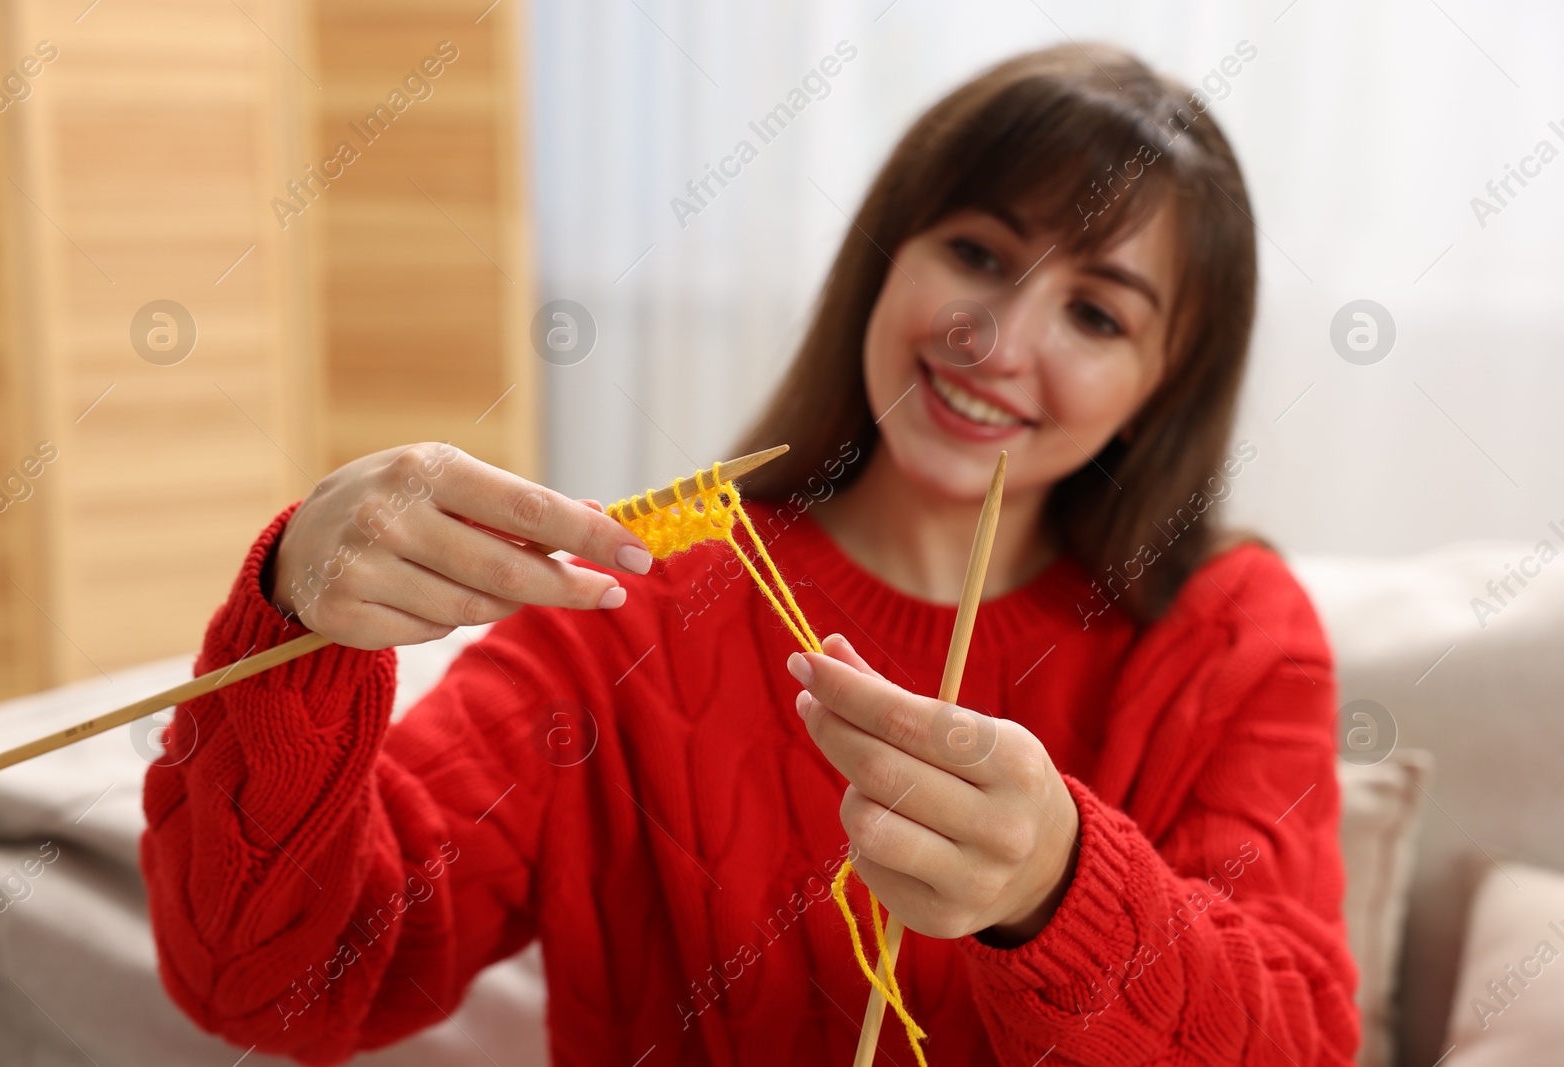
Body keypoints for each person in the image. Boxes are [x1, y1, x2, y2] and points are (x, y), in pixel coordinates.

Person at [141, 43, 1358, 1065]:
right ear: (887, 255)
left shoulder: (1231, 628)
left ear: (1160, 387)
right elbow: (270, 988)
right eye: (977, 253)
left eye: (1096, 313)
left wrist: (1057, 883)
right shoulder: (631, 600)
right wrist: (296, 613)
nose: (994, 337)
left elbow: (1299, 1038)